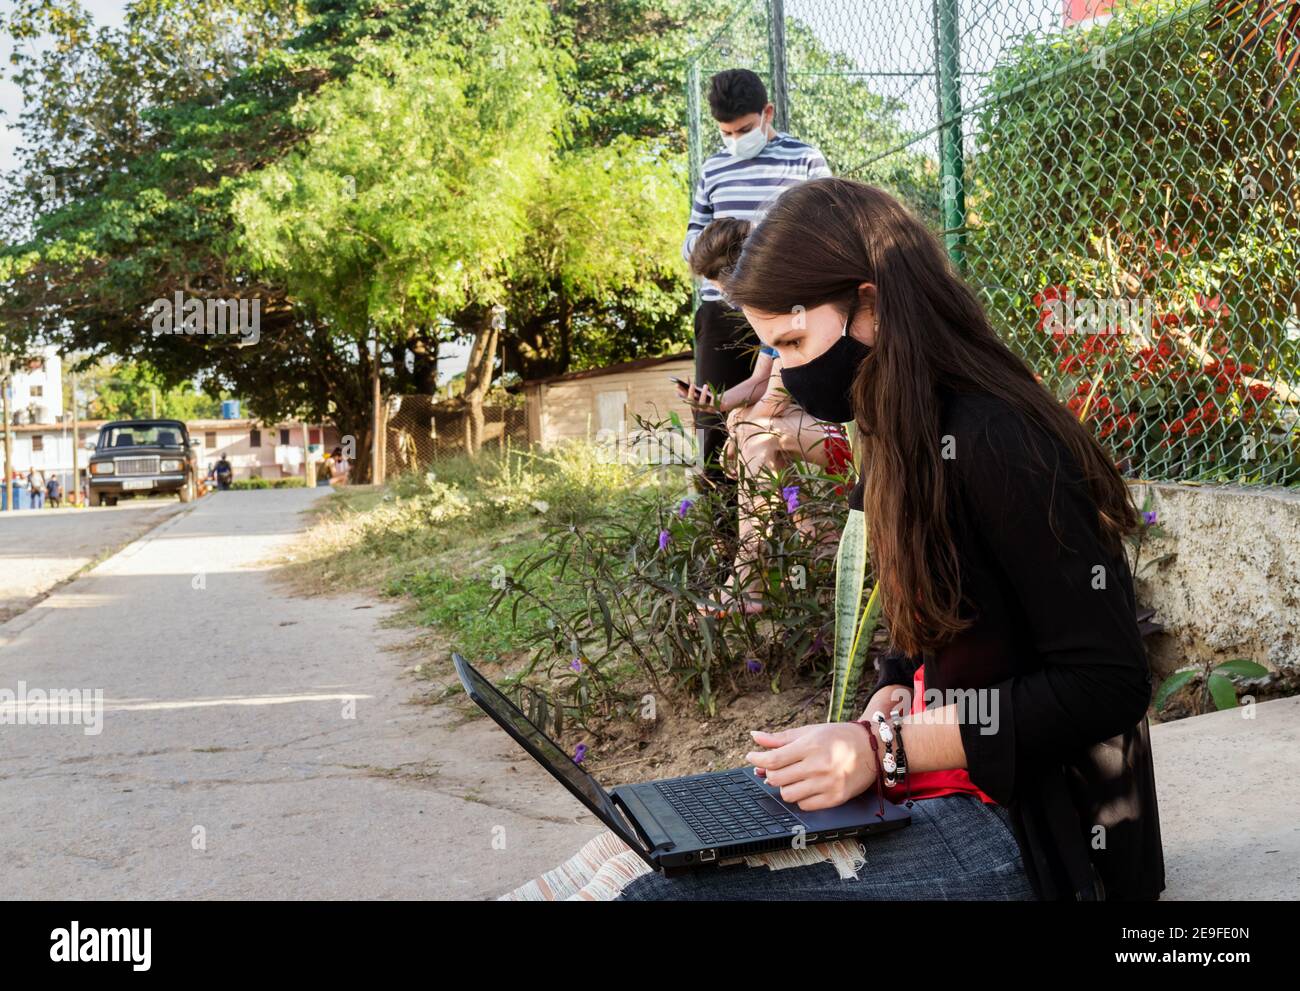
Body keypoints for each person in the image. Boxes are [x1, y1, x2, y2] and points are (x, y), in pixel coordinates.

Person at [515, 178, 1164, 902]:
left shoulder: (999, 439)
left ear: (872, 304)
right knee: (628, 846)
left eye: (792, 341)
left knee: (656, 897)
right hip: (933, 785)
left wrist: (882, 749)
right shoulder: (895, 426)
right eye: (771, 348)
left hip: (1032, 830)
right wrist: (891, 690)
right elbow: (946, 622)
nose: (785, 372)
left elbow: (1108, 682)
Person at [678, 218, 853, 615]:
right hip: (818, 432)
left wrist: (738, 430)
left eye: (726, 292)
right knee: (754, 432)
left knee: (757, 432)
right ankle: (819, 540)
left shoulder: (790, 303)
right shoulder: (772, 308)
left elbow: (773, 402)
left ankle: (762, 569)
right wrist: (718, 404)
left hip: (854, 436)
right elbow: (760, 383)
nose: (729, 303)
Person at [682, 68, 831, 530]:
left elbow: (826, 224)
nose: (735, 140)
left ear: (767, 114)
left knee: (771, 406)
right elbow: (692, 242)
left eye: (744, 130)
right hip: (723, 309)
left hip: (782, 304)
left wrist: (763, 265)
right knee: (714, 416)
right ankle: (725, 534)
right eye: (726, 133)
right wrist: (722, 259)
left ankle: (793, 530)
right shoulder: (713, 169)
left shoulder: (803, 160)